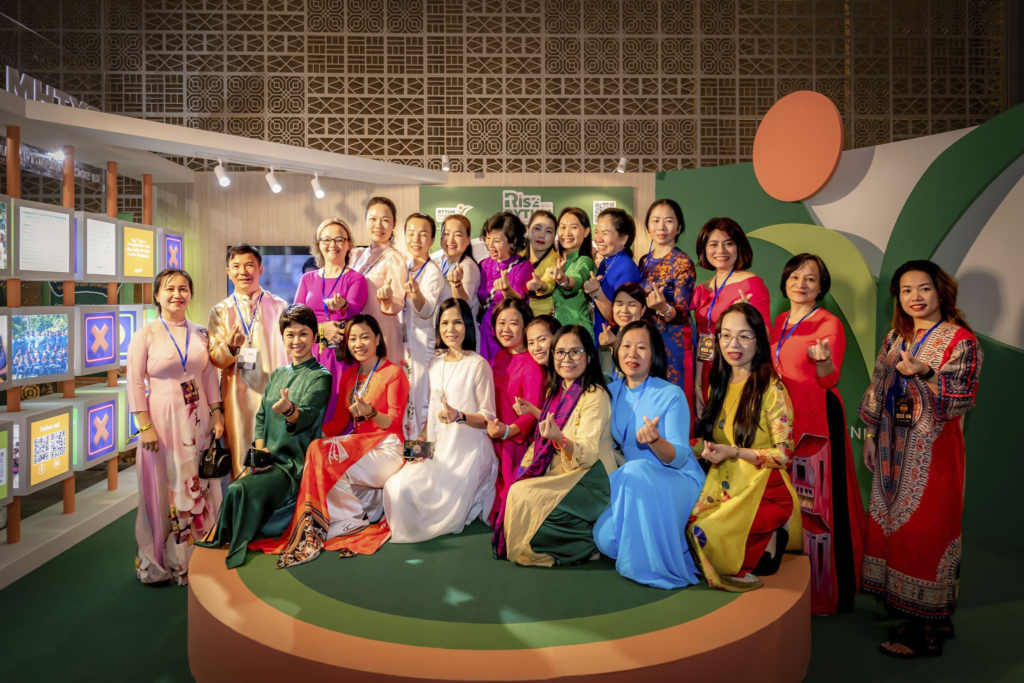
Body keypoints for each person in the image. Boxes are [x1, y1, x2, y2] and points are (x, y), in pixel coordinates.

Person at [860, 260, 982, 658]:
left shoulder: (961, 340)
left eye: (924, 288)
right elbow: (878, 387)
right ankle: (921, 618)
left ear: (941, 292)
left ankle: (925, 630)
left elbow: (959, 399)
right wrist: (870, 435)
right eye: (907, 290)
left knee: (928, 533)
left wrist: (926, 370)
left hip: (933, 456)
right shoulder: (896, 337)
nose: (915, 297)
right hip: (891, 452)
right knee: (895, 532)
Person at [251, 315, 408, 567]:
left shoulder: (393, 373)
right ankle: (349, 517)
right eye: (352, 338)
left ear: (378, 339)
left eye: (365, 337)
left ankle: (351, 517)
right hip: (359, 448)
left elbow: (394, 423)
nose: (358, 344)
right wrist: (309, 439)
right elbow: (337, 423)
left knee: (324, 453)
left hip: (387, 448)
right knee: (318, 451)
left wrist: (370, 412)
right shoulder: (349, 376)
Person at [197, 305, 332, 569]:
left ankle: (236, 545)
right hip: (269, 460)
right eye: (290, 334)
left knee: (239, 488)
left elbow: (304, 417)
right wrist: (261, 452)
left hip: (293, 465)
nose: (297, 341)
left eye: (303, 334)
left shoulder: (321, 377)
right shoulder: (280, 373)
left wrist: (289, 410)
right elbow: (260, 418)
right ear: (282, 338)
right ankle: (226, 539)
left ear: (315, 336)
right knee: (236, 487)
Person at [770, 254, 865, 616]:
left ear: (821, 287)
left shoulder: (829, 323)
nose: (801, 284)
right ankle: (790, 587)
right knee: (788, 505)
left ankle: (826, 594)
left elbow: (830, 378)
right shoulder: (779, 321)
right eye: (795, 276)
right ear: (785, 282)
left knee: (819, 511)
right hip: (783, 423)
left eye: (810, 278)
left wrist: (823, 360)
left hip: (818, 423)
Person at [687, 302, 801, 592]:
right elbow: (718, 442)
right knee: (688, 527)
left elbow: (784, 454)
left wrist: (735, 452)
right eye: (725, 335)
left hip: (766, 489)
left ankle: (770, 536)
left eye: (744, 336)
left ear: (759, 340)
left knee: (704, 532)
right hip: (729, 483)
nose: (733, 344)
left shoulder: (772, 389)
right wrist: (679, 446)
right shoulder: (719, 383)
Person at [127, 268, 225, 585]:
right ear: (157, 295)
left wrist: (217, 413)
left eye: (183, 288)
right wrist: (144, 426)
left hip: (198, 423)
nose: (177, 294)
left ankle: (196, 558)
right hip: (161, 423)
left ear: (190, 295)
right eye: (169, 289)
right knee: (163, 487)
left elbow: (209, 377)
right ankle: (163, 562)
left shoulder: (201, 333)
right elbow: (134, 382)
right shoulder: (145, 335)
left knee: (199, 485)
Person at [593, 320, 704, 589]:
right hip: (634, 485)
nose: (633, 353)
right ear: (616, 350)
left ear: (654, 354)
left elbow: (679, 457)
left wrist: (655, 440)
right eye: (626, 346)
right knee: (605, 539)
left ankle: (665, 556)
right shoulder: (609, 392)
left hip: (675, 480)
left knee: (634, 469)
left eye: (642, 347)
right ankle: (665, 540)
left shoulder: (671, 394)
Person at [383, 299, 499, 543]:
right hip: (437, 450)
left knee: (446, 509)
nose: (450, 329)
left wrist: (459, 416)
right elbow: (432, 414)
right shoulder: (434, 363)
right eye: (444, 323)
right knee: (396, 486)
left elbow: (488, 418)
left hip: (469, 453)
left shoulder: (478, 365)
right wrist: (419, 446)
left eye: (457, 322)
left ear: (467, 326)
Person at [502, 325, 617, 566]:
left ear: (589, 355)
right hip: (565, 472)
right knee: (518, 497)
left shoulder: (594, 395)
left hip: (592, 479)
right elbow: (557, 424)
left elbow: (587, 454)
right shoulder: (558, 390)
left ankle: (587, 546)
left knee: (526, 500)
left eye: (575, 352)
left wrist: (559, 439)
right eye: (561, 352)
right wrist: (535, 413)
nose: (567, 359)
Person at [208, 243, 291, 478]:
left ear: (260, 269)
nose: (243, 271)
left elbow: (291, 352)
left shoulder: (280, 306)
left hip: (274, 392)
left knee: (275, 458)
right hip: (237, 397)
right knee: (241, 459)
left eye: (249, 265)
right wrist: (231, 347)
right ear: (228, 272)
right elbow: (215, 358)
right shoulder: (220, 311)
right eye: (236, 266)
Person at [690, 217, 771, 418]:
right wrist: (698, 383)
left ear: (739, 247)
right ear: (704, 249)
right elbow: (705, 339)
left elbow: (766, 335)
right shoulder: (703, 288)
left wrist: (750, 318)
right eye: (713, 244)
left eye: (728, 244)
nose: (721, 250)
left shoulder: (751, 283)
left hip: (738, 372)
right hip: (708, 371)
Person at [485, 298, 546, 556]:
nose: (506, 329)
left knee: (514, 493)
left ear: (525, 326)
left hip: (516, 442)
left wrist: (509, 431)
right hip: (495, 436)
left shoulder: (532, 364)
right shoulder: (499, 357)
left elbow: (532, 413)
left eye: (513, 323)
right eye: (501, 323)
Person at [294, 218, 368, 423]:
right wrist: (321, 330)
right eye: (326, 239)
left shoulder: (356, 279)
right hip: (310, 354)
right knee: (308, 413)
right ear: (318, 244)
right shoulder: (307, 279)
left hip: (341, 357)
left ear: (348, 243)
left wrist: (342, 307)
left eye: (339, 239)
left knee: (339, 414)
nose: (333, 244)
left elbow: (354, 310)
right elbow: (296, 320)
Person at [382, 213, 443, 439]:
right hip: (403, 346)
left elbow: (426, 311)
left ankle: (421, 452)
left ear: (432, 239)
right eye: (411, 233)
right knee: (402, 399)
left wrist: (416, 292)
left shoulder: (433, 272)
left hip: (422, 347)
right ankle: (404, 450)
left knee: (421, 401)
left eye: (423, 234)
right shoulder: (404, 267)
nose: (416, 240)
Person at [637, 199, 697, 423]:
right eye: (655, 220)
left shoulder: (683, 263)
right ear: (648, 226)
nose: (661, 227)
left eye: (669, 221)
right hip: (649, 336)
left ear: (678, 228)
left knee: (673, 395)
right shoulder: (645, 260)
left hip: (674, 338)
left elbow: (681, 311)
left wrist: (663, 308)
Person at [350, 196, 407, 365]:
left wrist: (388, 299)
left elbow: (398, 302)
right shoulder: (358, 255)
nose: (378, 225)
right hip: (358, 333)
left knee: (382, 378)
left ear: (394, 224)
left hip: (382, 332)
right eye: (373, 219)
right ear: (365, 221)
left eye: (385, 220)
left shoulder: (394, 258)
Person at [477, 211, 533, 362]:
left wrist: (507, 290)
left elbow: (518, 301)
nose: (490, 244)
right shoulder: (483, 264)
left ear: (512, 242)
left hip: (506, 333)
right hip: (483, 330)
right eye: (488, 238)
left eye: (496, 240)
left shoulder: (523, 266)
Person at [584, 208, 641, 343]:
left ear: (623, 239)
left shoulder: (627, 268)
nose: (598, 239)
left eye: (605, 233)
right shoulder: (605, 262)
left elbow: (622, 315)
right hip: (600, 338)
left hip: (616, 341)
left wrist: (596, 293)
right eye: (597, 232)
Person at [545, 207, 596, 333]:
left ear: (586, 232)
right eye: (562, 227)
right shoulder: (560, 261)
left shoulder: (585, 261)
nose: (567, 233)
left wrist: (563, 280)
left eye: (573, 227)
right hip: (560, 332)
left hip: (578, 333)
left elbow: (576, 280)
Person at [432, 213, 482, 326]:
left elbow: (464, 306)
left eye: (458, 235)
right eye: (446, 234)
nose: (450, 240)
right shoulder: (442, 262)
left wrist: (456, 284)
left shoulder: (467, 266)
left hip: (462, 332)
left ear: (468, 239)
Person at [597, 282, 650, 378]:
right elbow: (605, 378)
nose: (624, 310)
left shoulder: (649, 339)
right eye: (619, 304)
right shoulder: (609, 338)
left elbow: (635, 376)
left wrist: (616, 346)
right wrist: (605, 350)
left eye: (632, 305)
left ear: (642, 310)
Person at [522, 210, 559, 316]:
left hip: (543, 318)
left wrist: (540, 285)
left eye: (548, 231)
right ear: (527, 231)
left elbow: (549, 283)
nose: (542, 235)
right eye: (537, 228)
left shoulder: (556, 260)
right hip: (517, 316)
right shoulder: (517, 255)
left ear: (554, 236)